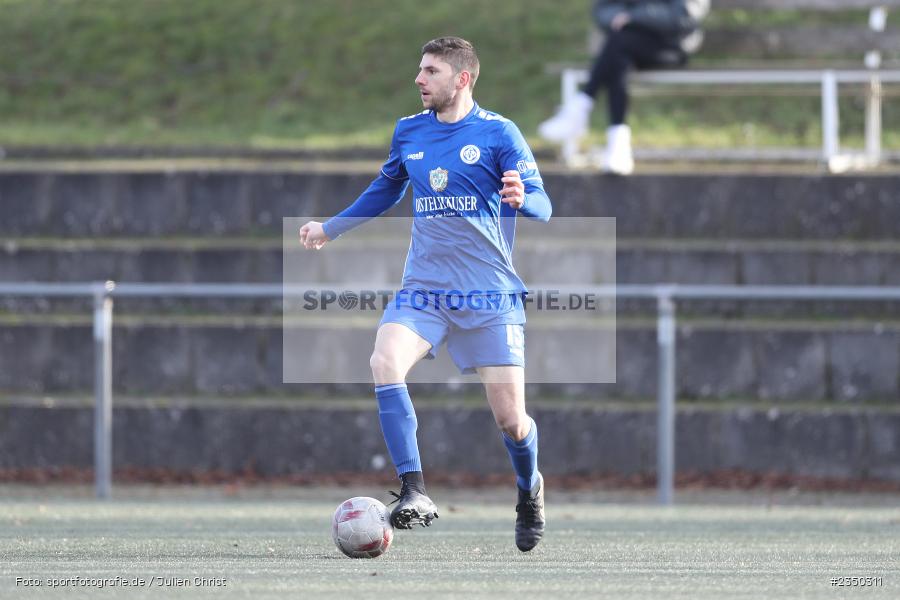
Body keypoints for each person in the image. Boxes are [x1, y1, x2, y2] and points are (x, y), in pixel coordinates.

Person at [299, 36, 552, 552]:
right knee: (384, 362)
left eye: (431, 71)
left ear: (462, 79)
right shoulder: (408, 131)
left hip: (489, 297)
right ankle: (413, 489)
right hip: (425, 291)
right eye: (420, 69)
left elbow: (544, 204)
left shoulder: (499, 133)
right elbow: (386, 188)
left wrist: (524, 200)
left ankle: (529, 488)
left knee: (512, 422)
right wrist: (331, 227)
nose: (419, 79)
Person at [538, 0, 709, 174]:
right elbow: (604, 9)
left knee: (618, 46)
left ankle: (583, 109)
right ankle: (616, 147)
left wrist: (633, 18)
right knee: (618, 58)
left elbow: (682, 16)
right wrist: (618, 18)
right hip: (628, 43)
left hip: (672, 45)